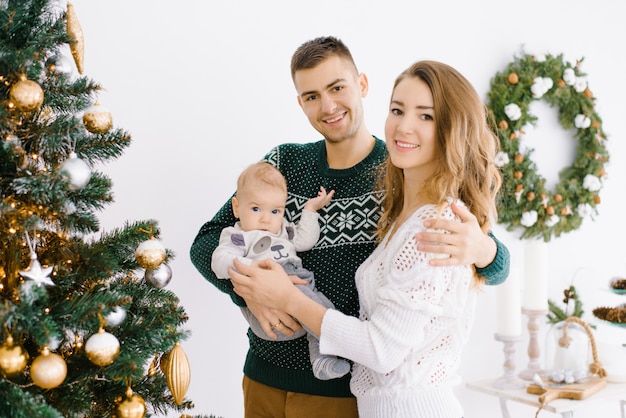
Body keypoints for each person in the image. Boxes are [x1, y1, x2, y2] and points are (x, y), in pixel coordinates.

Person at [190, 36, 510, 418]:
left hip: (344, 392)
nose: (327, 106)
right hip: (264, 377)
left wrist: (487, 251)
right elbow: (206, 241)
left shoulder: (401, 168)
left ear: (361, 85)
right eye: (311, 96)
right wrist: (253, 293)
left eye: (337, 87)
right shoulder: (284, 163)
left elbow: (486, 257)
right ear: (300, 103)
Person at [211, 161, 350, 381]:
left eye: (275, 210)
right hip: (267, 299)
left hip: (298, 285)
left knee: (325, 310)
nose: (266, 219)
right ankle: (333, 348)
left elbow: (305, 240)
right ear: (237, 208)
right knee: (318, 312)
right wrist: (250, 269)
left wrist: (310, 210)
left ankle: (322, 360)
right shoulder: (238, 236)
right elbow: (219, 261)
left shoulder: (283, 228)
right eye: (256, 209)